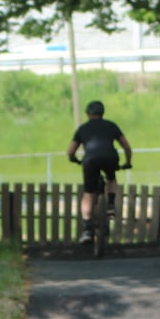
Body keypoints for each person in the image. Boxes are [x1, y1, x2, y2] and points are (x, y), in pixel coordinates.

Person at [66, 99, 133, 241]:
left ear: (88, 114)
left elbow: (70, 151)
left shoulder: (83, 128)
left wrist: (73, 159)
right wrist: (128, 162)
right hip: (110, 157)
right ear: (102, 113)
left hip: (90, 160)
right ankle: (110, 204)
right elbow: (127, 147)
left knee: (88, 193)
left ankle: (87, 230)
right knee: (111, 178)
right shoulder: (111, 126)